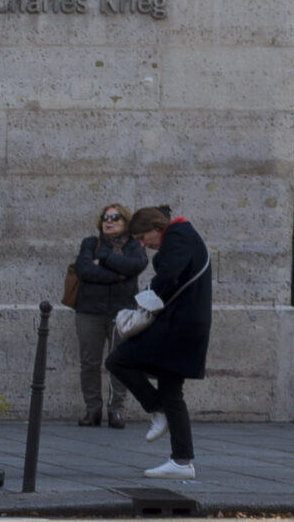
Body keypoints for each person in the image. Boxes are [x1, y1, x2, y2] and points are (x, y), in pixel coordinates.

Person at [104, 205, 213, 481]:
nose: (144, 245)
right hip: (185, 325)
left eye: (143, 238)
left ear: (157, 227)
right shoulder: (183, 234)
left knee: (118, 360)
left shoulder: (177, 236)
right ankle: (181, 461)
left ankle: (156, 409)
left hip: (178, 326)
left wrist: (146, 299)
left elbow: (170, 274)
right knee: (172, 392)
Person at [71, 202, 148, 428]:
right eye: (105, 217)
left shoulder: (135, 245)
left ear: (126, 222)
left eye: (115, 217)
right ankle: (92, 409)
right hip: (89, 311)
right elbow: (84, 270)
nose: (109, 221)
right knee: (89, 362)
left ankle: (116, 410)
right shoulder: (91, 243)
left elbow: (136, 266)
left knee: (118, 361)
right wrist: (119, 274)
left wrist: (103, 261)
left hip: (122, 312)